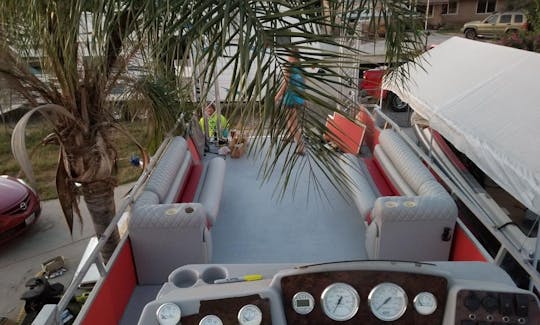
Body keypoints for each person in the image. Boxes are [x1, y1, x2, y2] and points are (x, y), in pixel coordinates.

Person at [275, 53, 305, 155]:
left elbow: (285, 84)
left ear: (293, 57)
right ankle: (291, 137)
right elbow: (303, 84)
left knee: (292, 123)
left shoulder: (289, 68)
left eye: (289, 57)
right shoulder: (301, 69)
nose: (288, 59)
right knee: (292, 120)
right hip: (298, 99)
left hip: (290, 99)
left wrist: (277, 96)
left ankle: (300, 146)